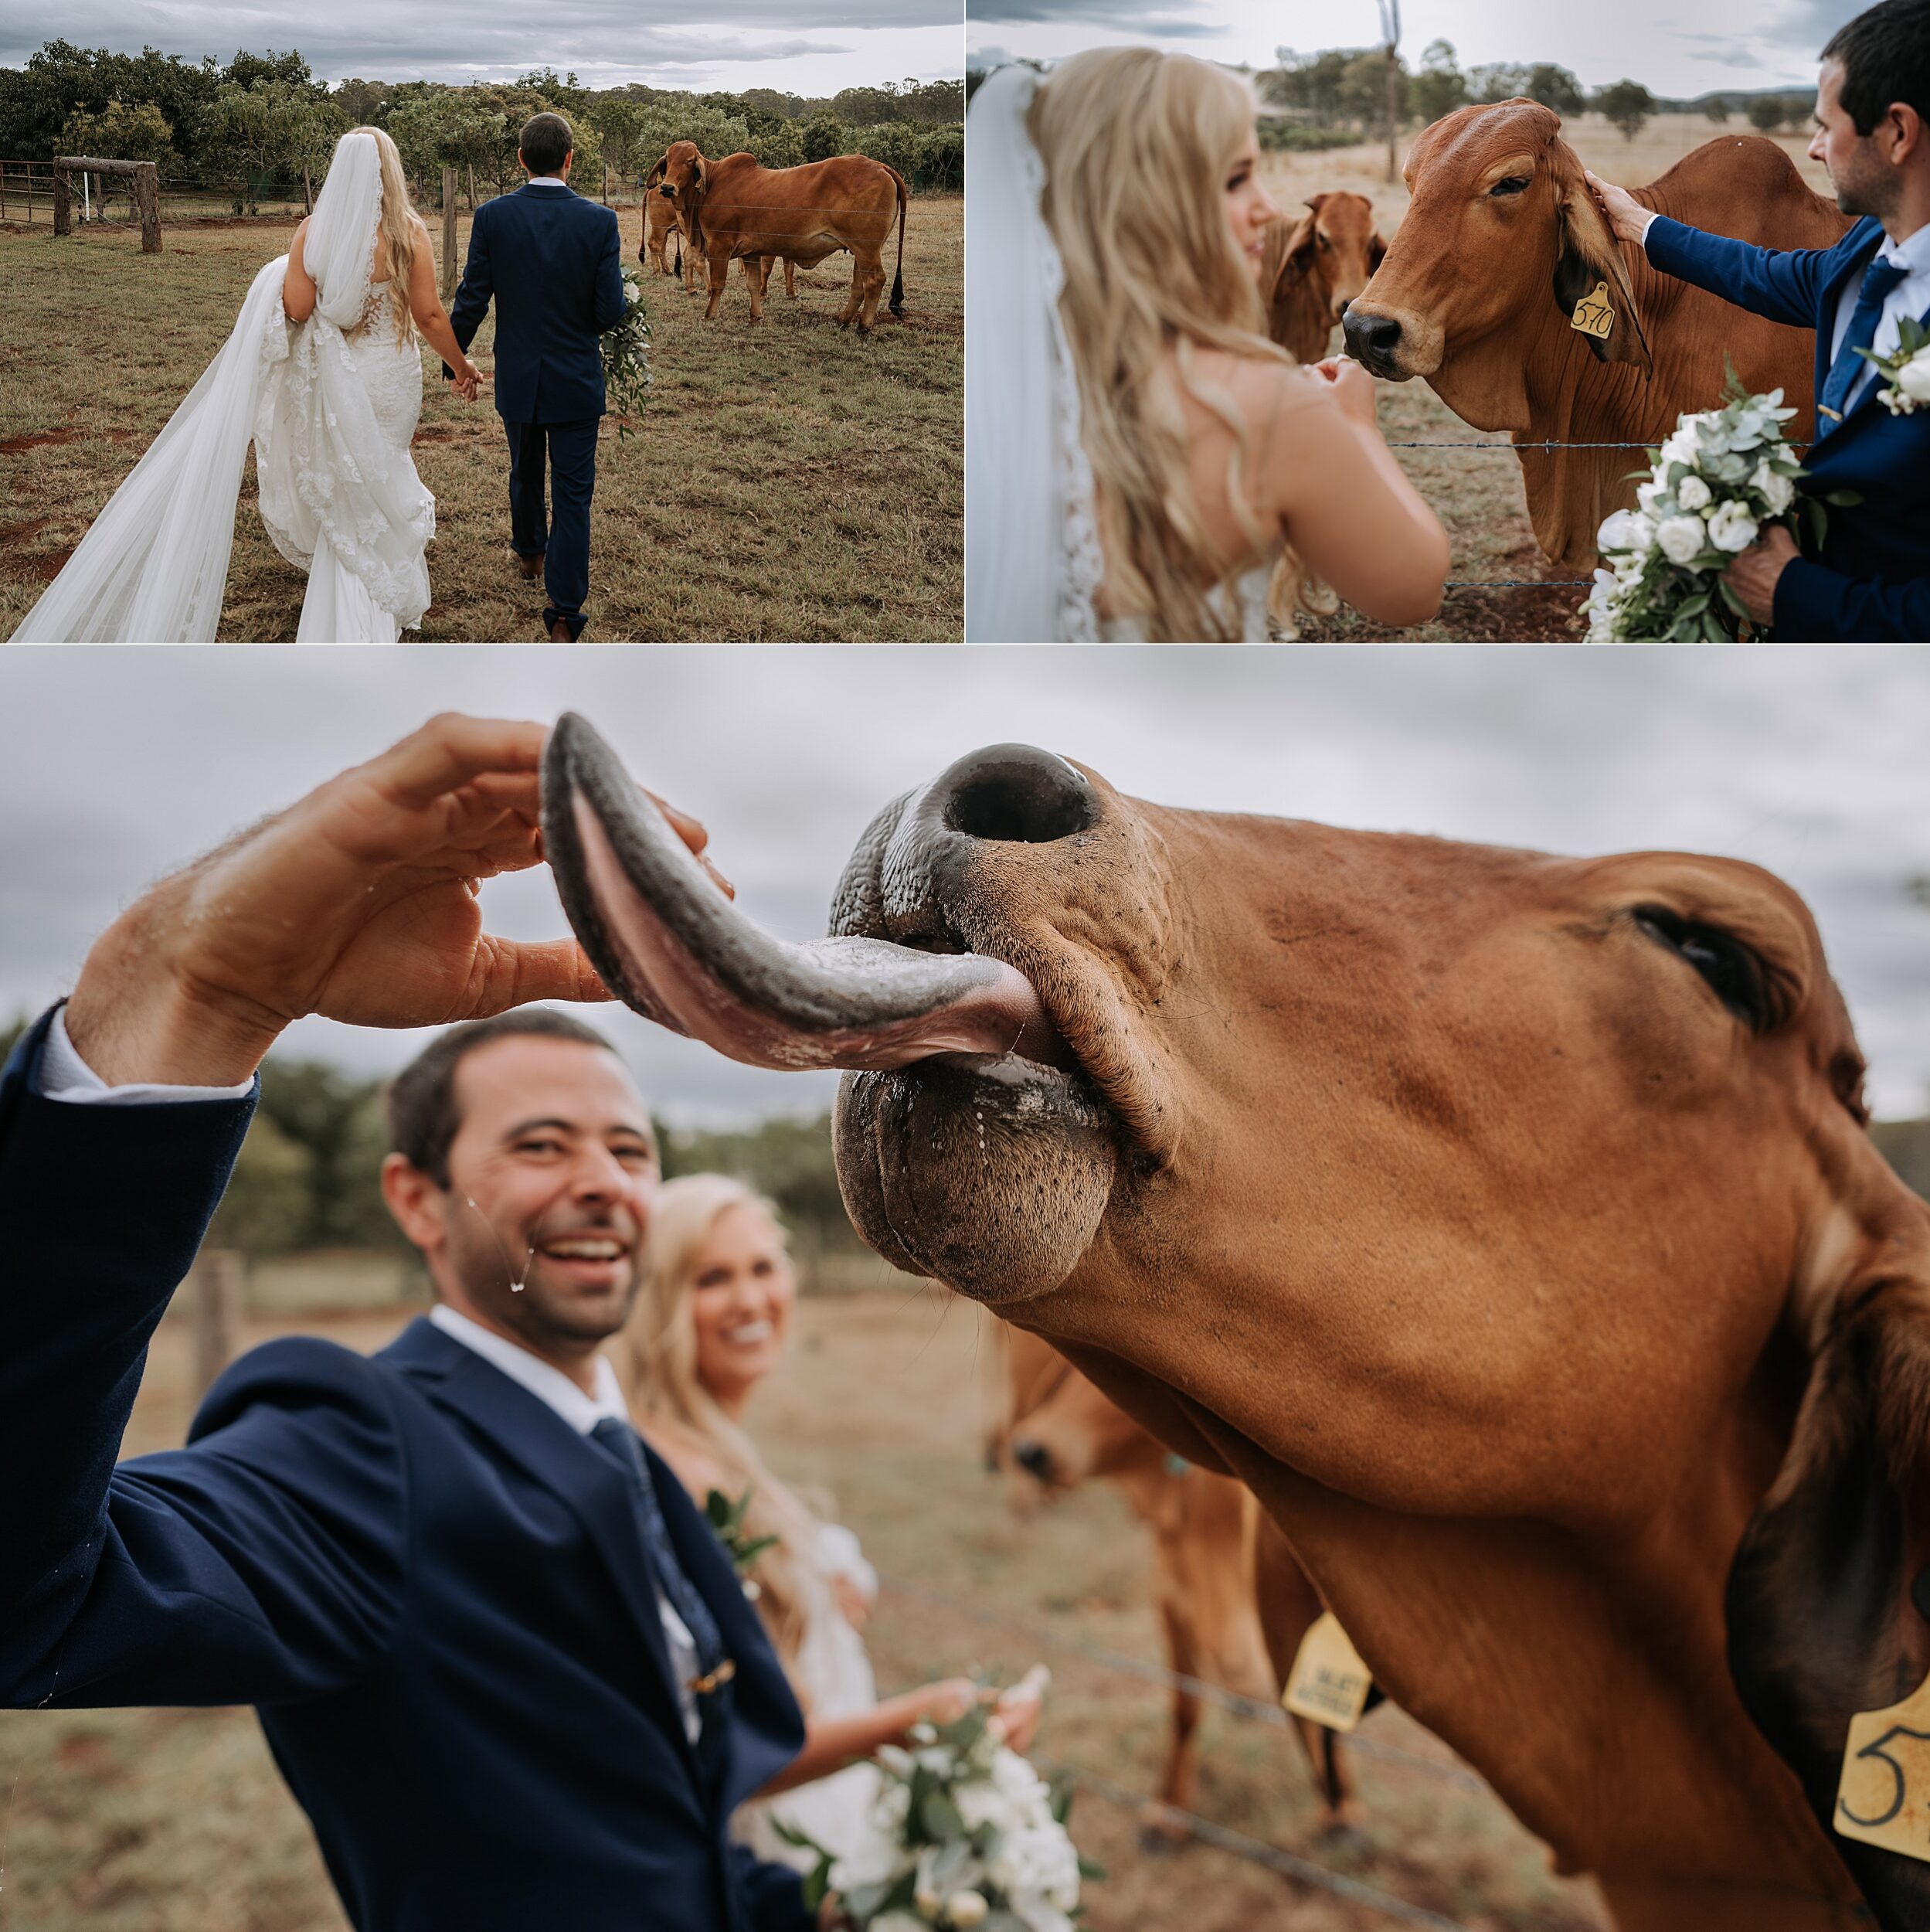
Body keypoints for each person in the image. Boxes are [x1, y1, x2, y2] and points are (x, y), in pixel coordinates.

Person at [0, 716, 827, 1932]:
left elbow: (674, 1801)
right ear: (416, 1198)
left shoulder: (623, 1440)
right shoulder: (359, 1447)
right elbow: (27, 1601)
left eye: (629, 1148)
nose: (602, 1180)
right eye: (539, 1146)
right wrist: (194, 991)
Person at [608, 1176, 1042, 1871]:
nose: (750, 1300)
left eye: (762, 1267)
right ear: (656, 1299)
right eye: (711, 1278)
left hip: (827, 1808)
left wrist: (822, 1574)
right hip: (779, 1842)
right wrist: (919, 1718)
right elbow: (740, 1747)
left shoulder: (713, 1448)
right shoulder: (680, 1479)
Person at [965, 47, 1451, 643]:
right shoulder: (1268, 409)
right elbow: (1413, 589)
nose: (1266, 207)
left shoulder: (1004, 402)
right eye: (1234, 179)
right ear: (1143, 204)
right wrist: (1357, 427)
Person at [10, 127, 480, 644]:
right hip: (390, 376)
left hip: (340, 377)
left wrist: (292, 275)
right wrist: (461, 367)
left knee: (350, 486)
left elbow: (299, 309)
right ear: (390, 171)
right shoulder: (406, 231)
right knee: (383, 474)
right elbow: (431, 315)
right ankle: (370, 612)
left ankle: (360, 606)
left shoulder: (314, 231)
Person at [1586, 0, 1930, 641]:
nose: (1815, 147)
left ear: (1899, 132)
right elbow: (1778, 276)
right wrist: (1642, 227)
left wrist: (1795, 595)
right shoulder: (1869, 246)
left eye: (1828, 126)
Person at [446, 111, 627, 643]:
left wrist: (454, 359)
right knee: (574, 495)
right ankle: (566, 612)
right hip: (576, 380)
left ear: (522, 159)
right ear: (570, 159)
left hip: (520, 377)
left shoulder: (493, 216)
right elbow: (608, 311)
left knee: (524, 469)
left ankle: (529, 554)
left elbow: (472, 296)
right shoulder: (600, 222)